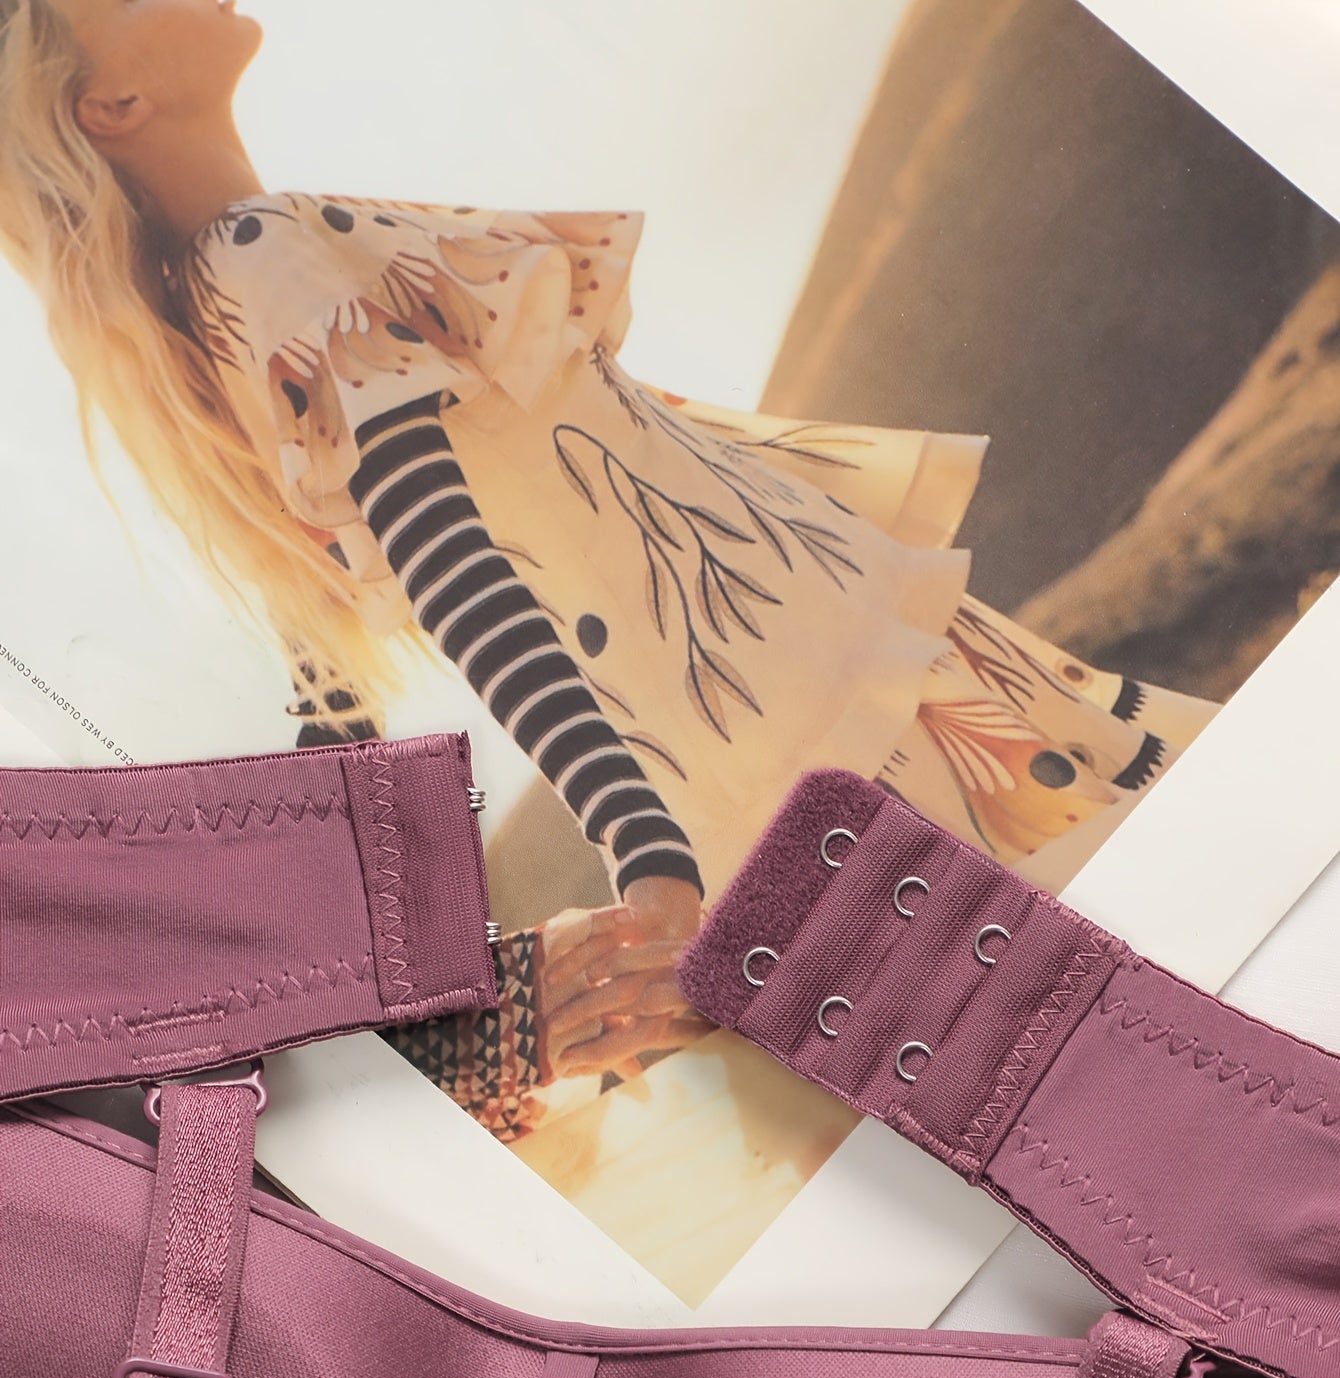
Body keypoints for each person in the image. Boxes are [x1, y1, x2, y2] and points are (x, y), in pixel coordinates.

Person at [0, 0, 1216, 1140]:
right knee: (1153, 961)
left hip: (772, 692)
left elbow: (330, 678)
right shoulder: (261, 255)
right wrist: (637, 841)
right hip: (796, 685)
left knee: (1086, 1015)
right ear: (112, 106)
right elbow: (449, 566)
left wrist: (378, 981)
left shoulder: (228, 303)